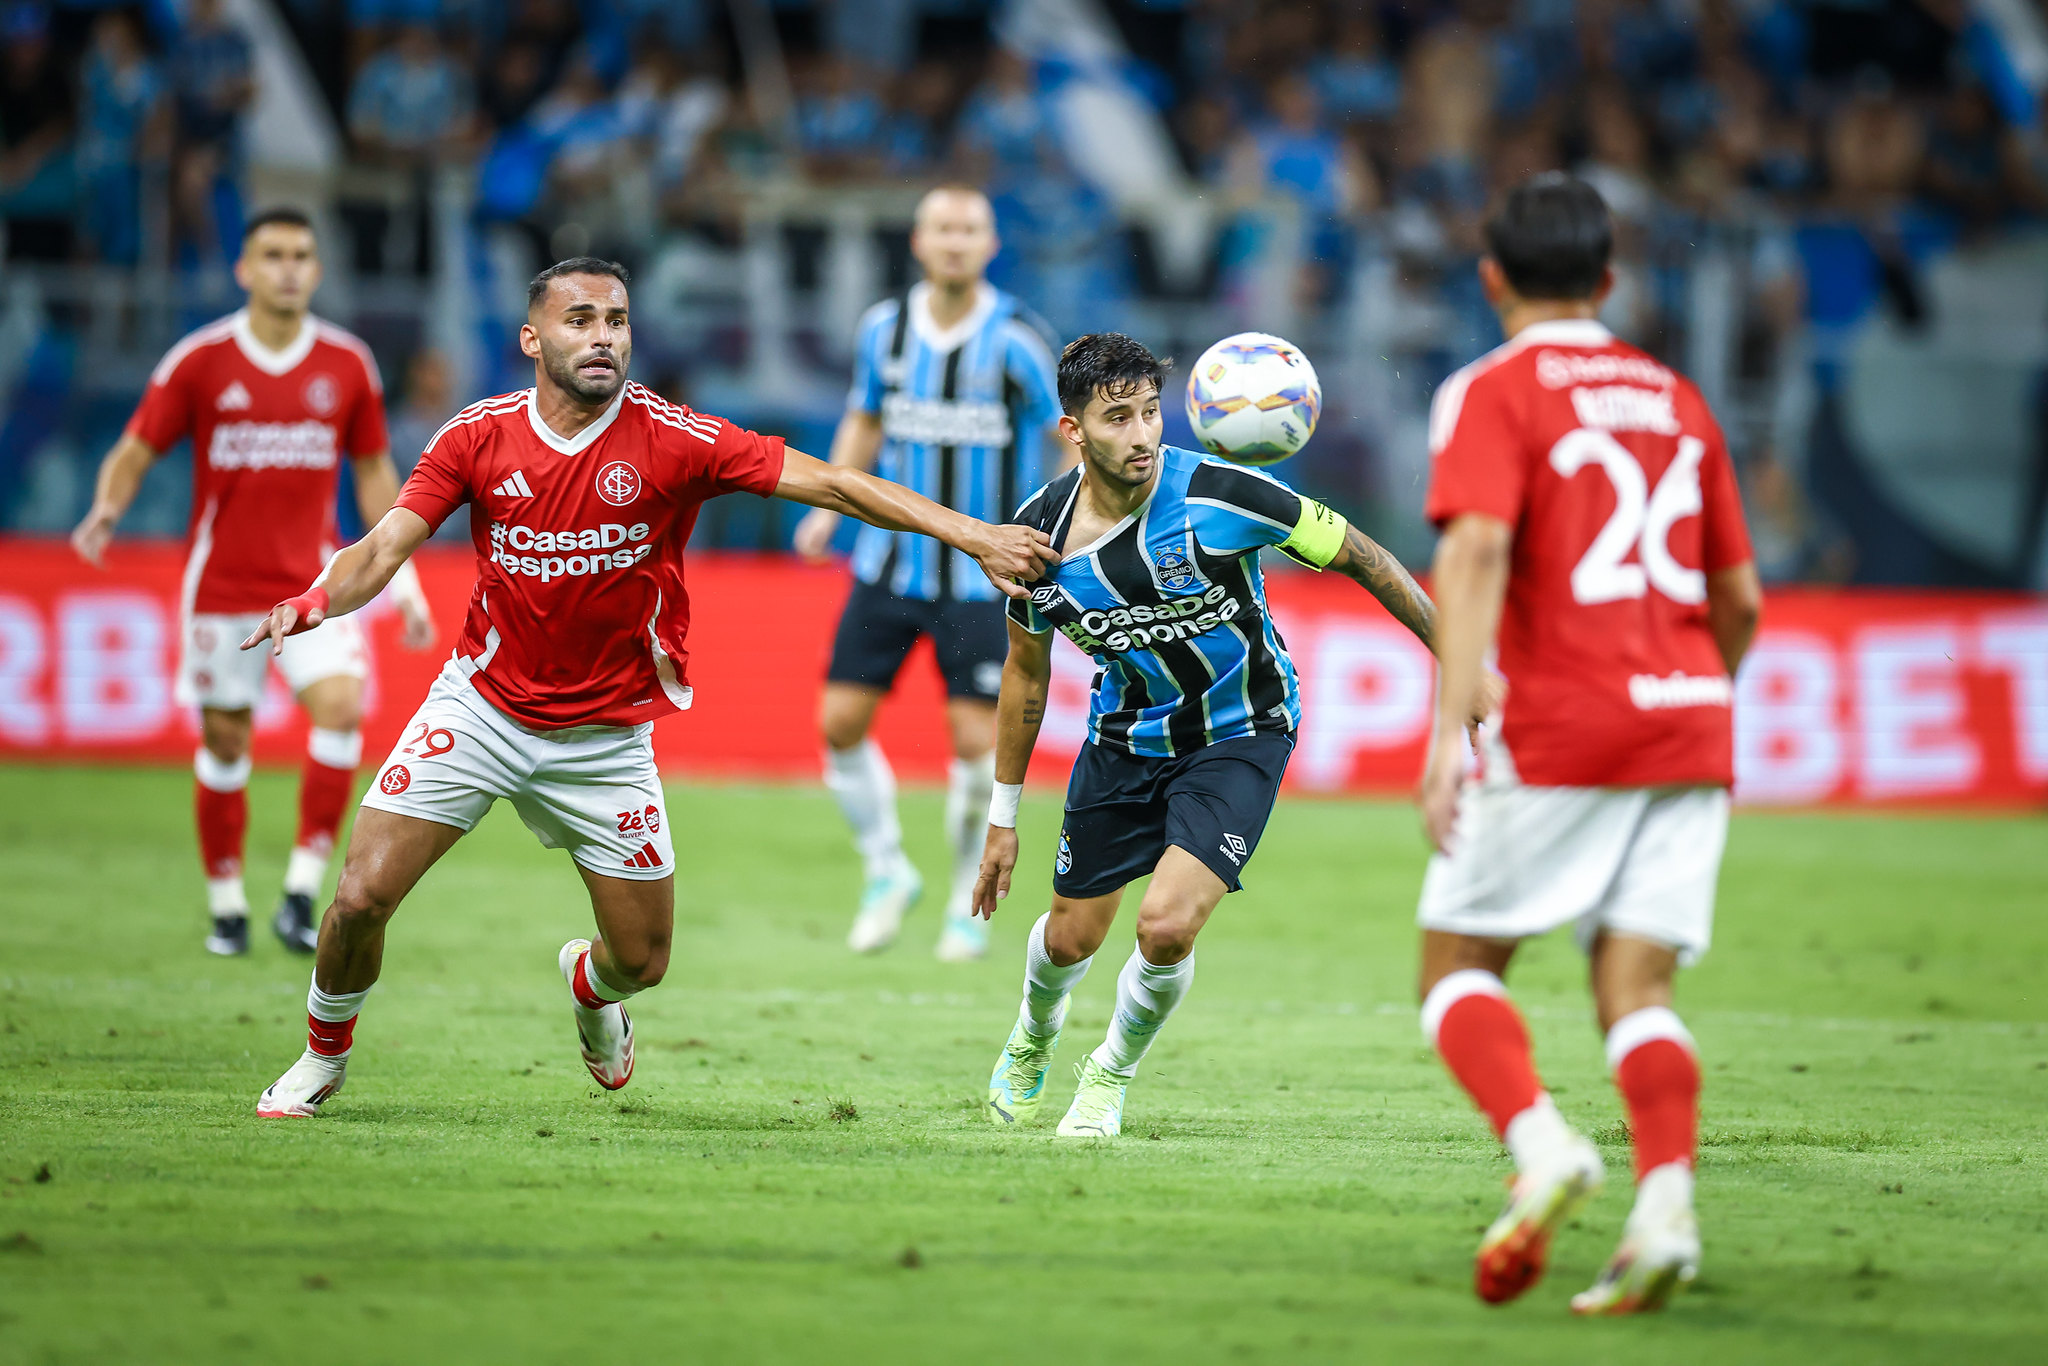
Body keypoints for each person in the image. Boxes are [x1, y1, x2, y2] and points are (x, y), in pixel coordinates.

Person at [241, 257, 1059, 1119]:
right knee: (361, 895)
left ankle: (593, 993)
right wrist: (312, 602)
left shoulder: (675, 438)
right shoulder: (475, 437)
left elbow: (838, 482)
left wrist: (973, 536)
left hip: (606, 738)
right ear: (532, 338)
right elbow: (380, 549)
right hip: (479, 708)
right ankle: (321, 1056)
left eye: (617, 321)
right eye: (580, 320)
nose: (602, 338)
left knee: (641, 961)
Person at [971, 333, 1498, 1138]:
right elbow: (1026, 675)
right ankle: (1035, 1032)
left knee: (1168, 924)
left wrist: (1461, 669)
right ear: (1072, 429)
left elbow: (1370, 559)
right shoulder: (1032, 539)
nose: (1142, 433)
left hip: (1243, 730)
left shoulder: (1227, 496)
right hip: (1123, 741)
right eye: (1118, 418)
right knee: (1072, 939)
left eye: (1151, 412)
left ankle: (1108, 1075)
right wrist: (1003, 816)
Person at [1412, 174, 1761, 1314]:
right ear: (1609, 282)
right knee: (1636, 987)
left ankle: (1544, 1148)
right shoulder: (1675, 395)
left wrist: (1445, 730)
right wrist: (1692, 697)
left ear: (1490, 278)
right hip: (1689, 714)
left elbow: (1472, 556)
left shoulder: (1489, 388)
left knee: (1454, 968)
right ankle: (1665, 1208)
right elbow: (1741, 600)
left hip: (1564, 716)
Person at [71, 207, 437, 958]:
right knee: (227, 739)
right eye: (272, 254)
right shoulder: (200, 361)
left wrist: (401, 581)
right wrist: (108, 507)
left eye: (302, 254)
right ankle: (228, 903)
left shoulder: (347, 364)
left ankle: (303, 893)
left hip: (315, 585)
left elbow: (374, 473)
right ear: (244, 269)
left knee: (340, 712)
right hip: (221, 587)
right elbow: (137, 447)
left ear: (318, 268)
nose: (289, 268)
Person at [792, 185, 1064, 962]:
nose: (954, 241)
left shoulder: (1017, 339)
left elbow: (1064, 435)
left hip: (982, 580)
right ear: (918, 240)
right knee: (838, 723)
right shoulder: (885, 329)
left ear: (990, 244)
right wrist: (828, 503)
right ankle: (886, 871)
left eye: (969, 229)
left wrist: (1068, 526)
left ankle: (958, 898)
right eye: (942, 228)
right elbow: (867, 416)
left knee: (974, 743)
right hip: (889, 565)